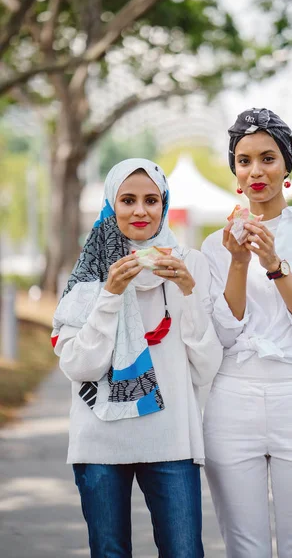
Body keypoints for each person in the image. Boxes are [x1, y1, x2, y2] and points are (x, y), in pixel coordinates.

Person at [52, 159, 222, 558]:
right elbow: (79, 366)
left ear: (164, 204)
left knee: (185, 552)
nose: (140, 211)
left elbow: (206, 367)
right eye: (127, 200)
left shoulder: (190, 264)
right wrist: (110, 294)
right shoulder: (90, 270)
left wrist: (187, 292)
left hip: (172, 441)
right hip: (99, 444)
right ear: (111, 205)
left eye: (151, 199)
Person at [201, 108, 292, 558]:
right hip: (232, 401)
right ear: (235, 171)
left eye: (268, 157)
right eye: (244, 160)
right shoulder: (215, 245)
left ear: (286, 164)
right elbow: (224, 335)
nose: (256, 170)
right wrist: (240, 264)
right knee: (245, 549)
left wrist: (274, 265)